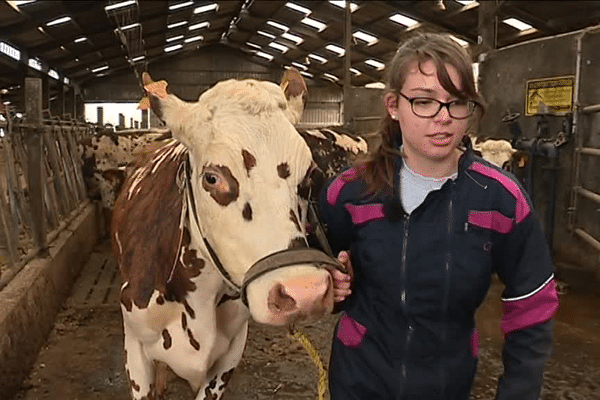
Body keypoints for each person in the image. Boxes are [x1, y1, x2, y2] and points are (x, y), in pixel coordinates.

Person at [321, 32, 559, 400]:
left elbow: (532, 305)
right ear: (393, 105)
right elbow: (313, 263)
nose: (443, 118)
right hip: (358, 379)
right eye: (424, 102)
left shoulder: (501, 199)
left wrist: (518, 391)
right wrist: (330, 281)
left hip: (445, 382)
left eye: (457, 103)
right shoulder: (349, 191)